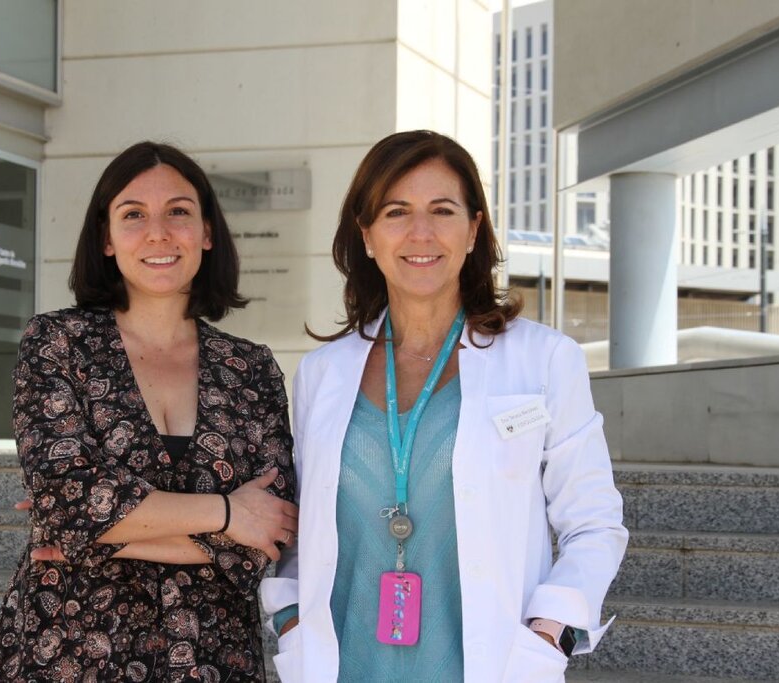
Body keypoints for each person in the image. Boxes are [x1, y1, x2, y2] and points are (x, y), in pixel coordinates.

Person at [260, 130, 628, 682]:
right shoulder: (323, 372)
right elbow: (298, 522)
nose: (421, 233)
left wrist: (551, 631)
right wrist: (289, 615)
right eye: (396, 211)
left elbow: (594, 521)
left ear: (474, 228)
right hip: (344, 662)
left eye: (443, 210)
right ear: (366, 234)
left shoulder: (545, 360)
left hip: (485, 663)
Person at [0, 141, 298, 682]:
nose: (158, 232)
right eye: (133, 215)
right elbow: (68, 495)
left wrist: (97, 532)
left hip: (211, 657)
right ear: (106, 238)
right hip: (69, 652)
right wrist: (227, 514)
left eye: (178, 211)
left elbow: (269, 532)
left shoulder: (251, 367)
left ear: (206, 233)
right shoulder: (58, 343)